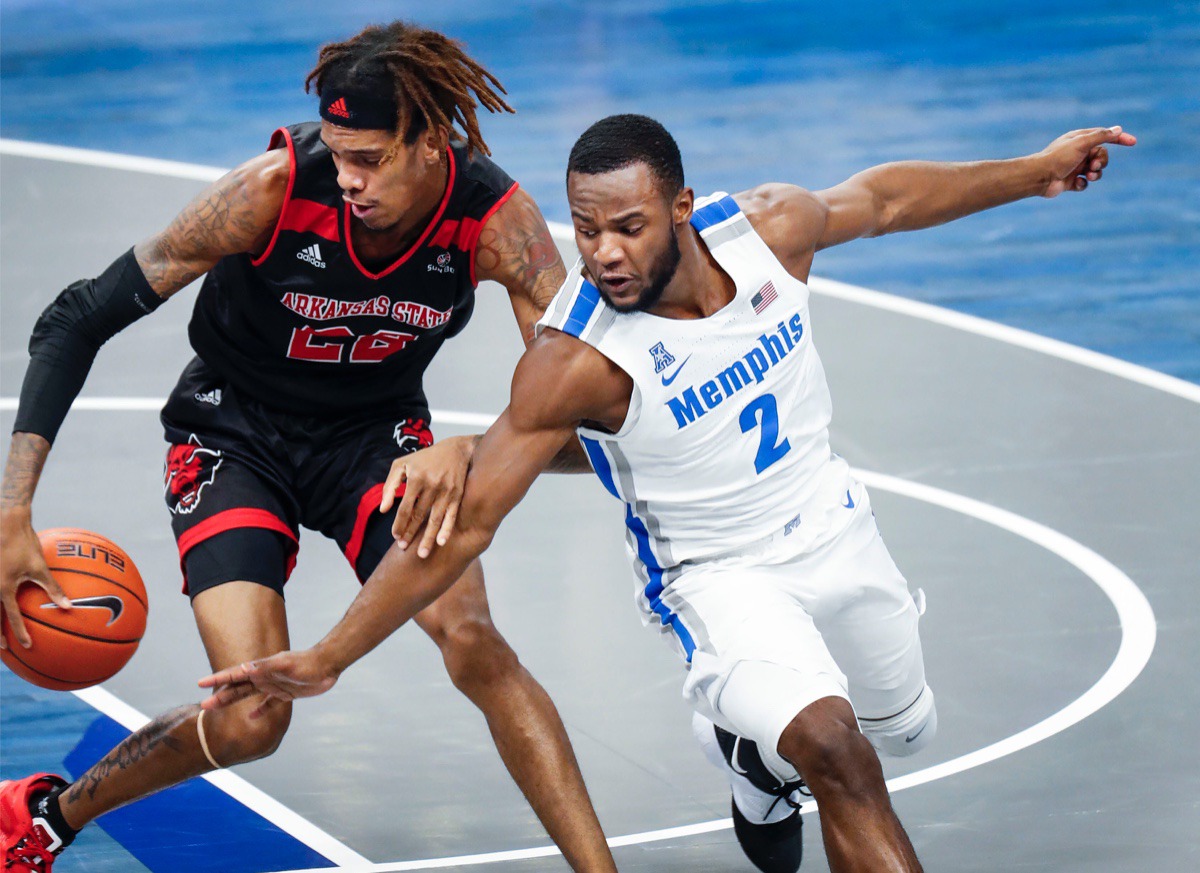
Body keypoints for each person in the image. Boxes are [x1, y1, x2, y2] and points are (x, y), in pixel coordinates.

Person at [195, 114, 1136, 872]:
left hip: (838, 527)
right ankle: (783, 743)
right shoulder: (574, 361)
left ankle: (754, 759)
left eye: (629, 226)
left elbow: (886, 197)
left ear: (682, 207)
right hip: (718, 578)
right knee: (843, 754)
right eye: (587, 228)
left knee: (906, 727)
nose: (603, 252)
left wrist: (1036, 169)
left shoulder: (767, 234)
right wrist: (330, 656)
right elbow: (470, 521)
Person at [0, 22, 618, 873]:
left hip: (375, 439)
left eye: (368, 157)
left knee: (473, 637)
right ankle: (49, 813)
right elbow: (77, 315)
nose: (348, 178)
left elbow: (595, 427)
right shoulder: (272, 190)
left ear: (430, 140)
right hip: (231, 431)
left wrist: (470, 450)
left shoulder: (495, 223)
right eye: (337, 152)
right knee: (254, 718)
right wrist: (12, 506)